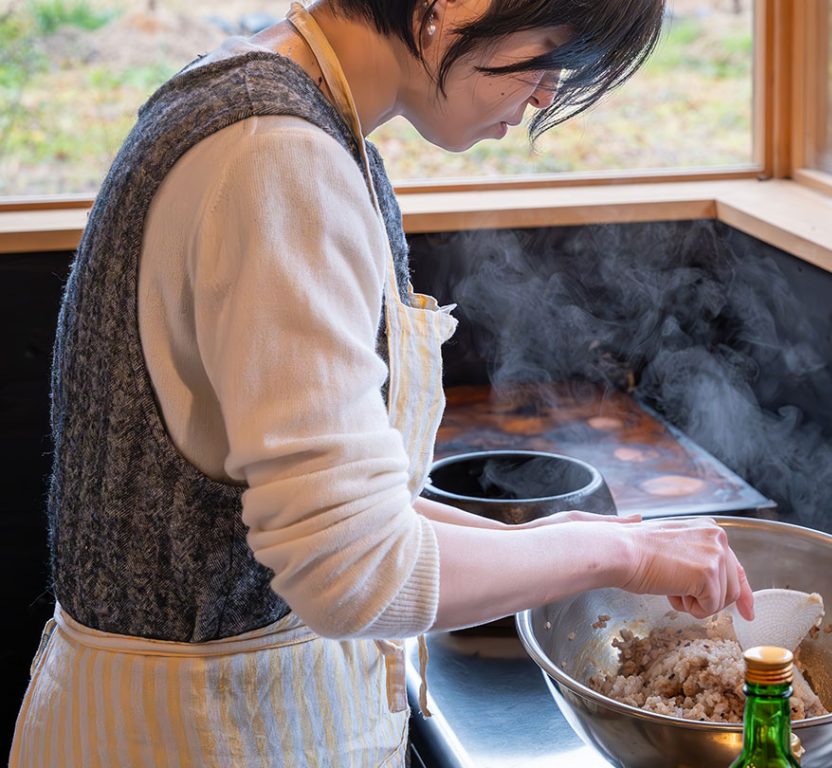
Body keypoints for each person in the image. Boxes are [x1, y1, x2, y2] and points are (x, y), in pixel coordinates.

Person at [10, 0, 754, 764]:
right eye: (550, 53)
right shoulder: (275, 156)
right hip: (199, 732)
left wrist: (576, 537)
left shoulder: (275, 107)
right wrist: (619, 561)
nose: (545, 96)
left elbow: (354, 509)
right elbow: (352, 568)